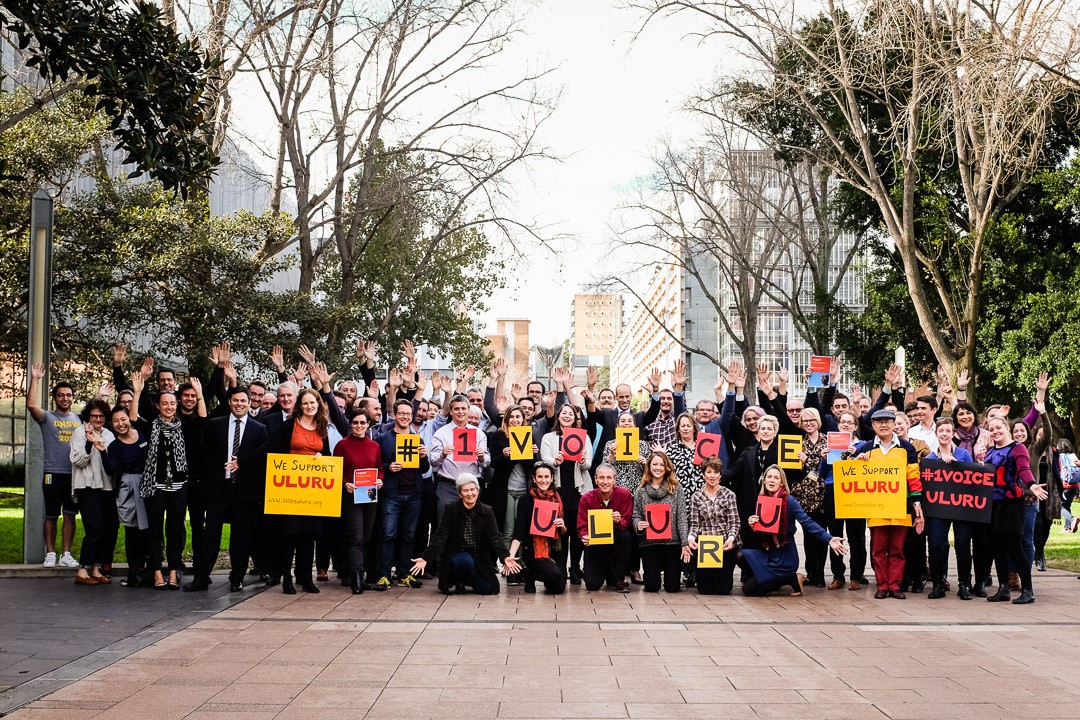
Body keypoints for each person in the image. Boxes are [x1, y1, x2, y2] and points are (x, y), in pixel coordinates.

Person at [186, 386, 268, 592]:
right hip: (218, 490)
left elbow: (262, 460)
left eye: (243, 400)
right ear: (229, 402)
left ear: (249, 403)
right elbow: (206, 456)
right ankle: (202, 577)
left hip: (244, 493)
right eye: (236, 400)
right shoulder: (216, 425)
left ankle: (237, 578)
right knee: (210, 536)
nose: (239, 404)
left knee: (241, 538)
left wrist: (244, 465)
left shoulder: (259, 429)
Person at [738, 465, 846, 596]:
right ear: (764, 480)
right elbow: (762, 532)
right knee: (739, 555)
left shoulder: (789, 501)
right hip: (769, 553)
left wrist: (829, 539)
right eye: (769, 477)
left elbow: (807, 523)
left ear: (781, 482)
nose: (772, 480)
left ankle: (790, 578)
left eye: (776, 478)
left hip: (785, 558)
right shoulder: (761, 501)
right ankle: (766, 578)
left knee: (748, 590)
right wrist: (752, 525)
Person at [266, 387, 332, 594]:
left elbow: (328, 455)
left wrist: (322, 458)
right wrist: (242, 460)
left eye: (313, 403)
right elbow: (271, 448)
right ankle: (287, 577)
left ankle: (305, 578)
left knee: (309, 535)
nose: (309, 406)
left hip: (312, 490)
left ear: (318, 404)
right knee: (289, 534)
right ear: (300, 406)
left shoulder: (322, 427)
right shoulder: (290, 425)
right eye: (305, 403)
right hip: (290, 489)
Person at [853, 408, 924, 600]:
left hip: (901, 505)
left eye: (888, 421)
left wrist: (917, 501)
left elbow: (913, 476)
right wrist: (857, 461)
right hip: (876, 507)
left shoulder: (906, 448)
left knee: (897, 549)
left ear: (894, 424)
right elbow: (852, 475)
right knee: (878, 549)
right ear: (873, 425)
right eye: (879, 421)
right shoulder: (866, 447)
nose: (884, 425)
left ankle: (895, 585)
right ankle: (882, 585)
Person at [410, 473, 521, 595]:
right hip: (458, 554)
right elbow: (440, 536)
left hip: (479, 557)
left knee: (488, 589)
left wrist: (505, 556)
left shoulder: (486, 510)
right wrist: (426, 558)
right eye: (465, 491)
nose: (470, 494)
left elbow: (495, 536)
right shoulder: (451, 509)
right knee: (465, 562)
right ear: (460, 494)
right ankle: (458, 580)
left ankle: (469, 579)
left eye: (473, 490)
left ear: (478, 490)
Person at [984, 415, 1046, 604]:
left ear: (1006, 428)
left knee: (1014, 546)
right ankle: (1003, 588)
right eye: (991, 429)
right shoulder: (991, 451)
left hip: (1012, 503)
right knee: (997, 547)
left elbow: (1024, 468)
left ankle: (1028, 589)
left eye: (998, 428)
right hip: (994, 504)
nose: (995, 432)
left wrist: (1032, 485)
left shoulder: (1017, 448)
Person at [25, 364, 81, 568]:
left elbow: (97, 413)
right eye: (61, 395)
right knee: (51, 515)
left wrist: (101, 395)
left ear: (73, 398)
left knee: (70, 515)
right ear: (55, 398)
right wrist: (36, 379)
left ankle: (66, 554)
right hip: (52, 474)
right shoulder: (47, 417)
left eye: (68, 395)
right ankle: (50, 554)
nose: (65, 398)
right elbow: (31, 405)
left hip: (74, 475)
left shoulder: (79, 419)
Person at [374, 399, 430, 589]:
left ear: (412, 416)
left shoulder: (417, 440)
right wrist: (389, 467)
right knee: (388, 535)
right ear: (394, 415)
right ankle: (384, 574)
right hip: (392, 494)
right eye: (401, 413)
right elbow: (376, 466)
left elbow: (424, 469)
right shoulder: (383, 439)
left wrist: (424, 457)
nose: (405, 417)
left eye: (408, 414)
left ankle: (404, 573)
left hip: (414, 494)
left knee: (408, 536)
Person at [540, 403, 594, 584]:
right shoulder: (549, 438)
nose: (567, 416)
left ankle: (576, 567)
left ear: (575, 418)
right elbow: (544, 459)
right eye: (564, 413)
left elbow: (588, 465)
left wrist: (583, 460)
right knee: (560, 530)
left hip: (578, 490)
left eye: (571, 413)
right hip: (558, 491)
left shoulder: (584, 437)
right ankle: (560, 567)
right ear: (558, 416)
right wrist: (554, 461)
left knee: (578, 532)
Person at [923, 417, 975, 600]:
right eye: (941, 431)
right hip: (938, 509)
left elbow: (973, 479)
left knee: (962, 545)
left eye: (947, 431)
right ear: (936, 434)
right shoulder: (929, 459)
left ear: (953, 433)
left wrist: (956, 466)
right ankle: (938, 583)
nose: (944, 434)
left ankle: (964, 584)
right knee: (936, 544)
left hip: (961, 507)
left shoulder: (963, 455)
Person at [819, 411, 869, 590]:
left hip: (855, 492)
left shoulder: (863, 445)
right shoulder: (831, 444)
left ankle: (856, 576)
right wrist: (824, 459)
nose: (846, 425)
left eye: (849, 422)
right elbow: (822, 474)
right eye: (842, 422)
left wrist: (858, 455)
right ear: (838, 425)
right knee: (835, 534)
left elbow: (868, 471)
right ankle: (838, 575)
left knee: (857, 536)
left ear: (855, 426)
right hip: (833, 490)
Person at [335, 412, 384, 594]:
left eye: (363, 422)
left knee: (366, 536)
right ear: (350, 424)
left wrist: (380, 480)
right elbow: (336, 470)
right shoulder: (342, 445)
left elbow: (380, 468)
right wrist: (345, 484)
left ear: (368, 424)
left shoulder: (374, 446)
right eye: (355, 422)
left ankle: (357, 573)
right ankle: (356, 576)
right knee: (356, 535)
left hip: (370, 495)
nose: (359, 426)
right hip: (351, 496)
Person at [103, 404, 151, 587]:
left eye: (123, 419)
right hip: (127, 487)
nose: (120, 424)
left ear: (129, 418)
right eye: (115, 421)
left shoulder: (144, 434)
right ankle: (133, 572)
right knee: (131, 531)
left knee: (148, 530)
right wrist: (102, 451)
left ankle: (150, 570)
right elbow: (111, 470)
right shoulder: (114, 446)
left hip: (147, 484)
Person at [69, 399, 116, 584]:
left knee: (106, 529)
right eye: (94, 416)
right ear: (88, 416)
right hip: (87, 486)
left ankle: (96, 569)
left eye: (101, 416)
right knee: (94, 529)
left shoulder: (109, 435)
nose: (98, 419)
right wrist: (89, 443)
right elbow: (78, 461)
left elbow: (111, 463)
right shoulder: (79, 433)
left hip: (106, 487)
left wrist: (102, 449)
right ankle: (82, 571)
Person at [632, 451, 690, 593]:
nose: (658, 468)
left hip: (672, 543)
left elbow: (682, 517)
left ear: (667, 467)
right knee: (652, 587)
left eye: (662, 465)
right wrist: (638, 525)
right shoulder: (641, 490)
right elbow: (636, 515)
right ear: (649, 466)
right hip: (649, 543)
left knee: (672, 587)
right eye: (655, 464)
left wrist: (684, 543)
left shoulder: (676, 489)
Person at [429, 394, 490, 522]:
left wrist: (481, 457)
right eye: (456, 409)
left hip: (471, 488)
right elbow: (433, 461)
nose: (460, 412)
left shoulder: (479, 434)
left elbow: (486, 463)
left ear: (468, 410)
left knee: (471, 526)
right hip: (448, 486)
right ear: (451, 411)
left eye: (463, 408)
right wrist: (442, 455)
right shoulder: (441, 433)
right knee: (445, 525)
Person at [603, 411, 648, 584]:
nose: (627, 423)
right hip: (616, 495)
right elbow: (603, 470)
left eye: (630, 421)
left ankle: (635, 569)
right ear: (618, 425)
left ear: (635, 425)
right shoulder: (610, 444)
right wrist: (611, 455)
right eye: (623, 421)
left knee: (635, 532)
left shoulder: (642, 445)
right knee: (618, 531)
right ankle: (616, 570)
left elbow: (651, 473)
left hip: (636, 494)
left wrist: (645, 463)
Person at [509, 462, 568, 594]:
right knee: (554, 574)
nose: (543, 480)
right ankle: (531, 573)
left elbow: (564, 532)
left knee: (558, 588)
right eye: (540, 477)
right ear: (534, 479)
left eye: (546, 477)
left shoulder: (559, 499)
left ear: (552, 478)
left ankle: (536, 574)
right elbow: (519, 532)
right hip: (534, 550)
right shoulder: (526, 500)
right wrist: (510, 555)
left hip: (555, 549)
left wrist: (562, 525)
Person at [687, 457, 740, 595]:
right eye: (709, 472)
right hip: (705, 546)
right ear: (703, 474)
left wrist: (731, 539)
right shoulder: (696, 497)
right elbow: (694, 523)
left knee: (724, 590)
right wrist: (691, 538)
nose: (712, 476)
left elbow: (734, 522)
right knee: (705, 590)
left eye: (716, 472)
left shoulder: (729, 495)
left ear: (720, 475)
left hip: (724, 544)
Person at [577, 463, 633, 592]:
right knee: (592, 585)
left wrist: (619, 521)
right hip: (595, 543)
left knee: (625, 536)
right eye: (601, 478)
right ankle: (607, 572)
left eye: (609, 478)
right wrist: (585, 536)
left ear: (614, 480)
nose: (605, 482)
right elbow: (582, 526)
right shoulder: (586, 498)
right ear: (595, 479)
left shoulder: (624, 494)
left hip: (616, 540)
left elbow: (628, 522)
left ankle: (619, 579)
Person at [666, 412, 703, 587]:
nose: (686, 428)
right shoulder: (672, 449)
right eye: (683, 426)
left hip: (701, 497)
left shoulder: (704, 446)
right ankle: (687, 571)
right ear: (678, 429)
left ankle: (699, 571)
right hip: (681, 497)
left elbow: (713, 468)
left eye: (689, 425)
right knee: (684, 532)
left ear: (694, 428)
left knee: (700, 532)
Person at [796, 408, 828, 587]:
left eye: (811, 420)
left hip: (823, 495)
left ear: (818, 421)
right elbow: (795, 471)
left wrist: (808, 461)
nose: (808, 423)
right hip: (805, 497)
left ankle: (821, 573)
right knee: (808, 537)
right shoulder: (798, 443)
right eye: (805, 421)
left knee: (821, 535)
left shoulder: (828, 441)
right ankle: (811, 573)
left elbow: (826, 470)